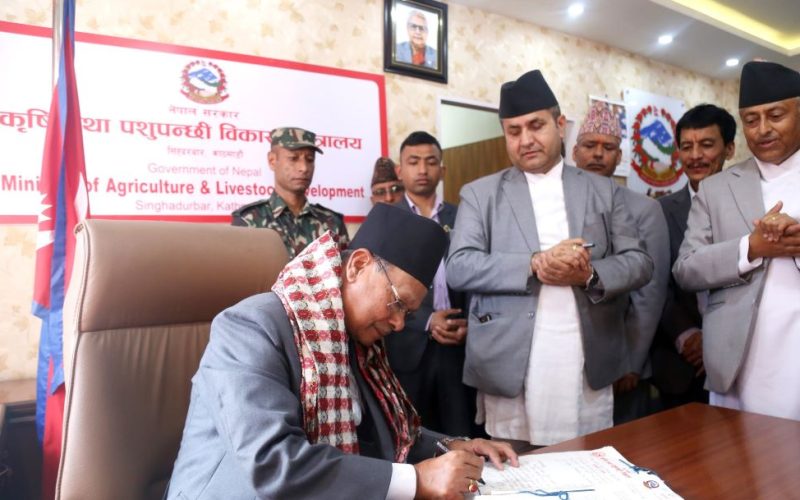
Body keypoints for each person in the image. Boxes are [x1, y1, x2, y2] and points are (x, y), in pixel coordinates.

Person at [168, 203, 518, 499]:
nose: (399, 324)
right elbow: (272, 463)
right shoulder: (250, 327)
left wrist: (451, 446)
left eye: (409, 314)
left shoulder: (355, 336)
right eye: (397, 303)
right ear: (357, 266)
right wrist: (418, 480)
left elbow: (384, 431)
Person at [446, 69, 653, 451]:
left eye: (536, 125)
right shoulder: (480, 194)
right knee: (514, 467)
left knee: (587, 462)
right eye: (513, 131)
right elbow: (459, 266)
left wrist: (589, 274)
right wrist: (535, 263)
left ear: (560, 125)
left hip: (585, 360)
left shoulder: (603, 190)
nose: (525, 140)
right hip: (509, 361)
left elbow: (639, 263)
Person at [673, 61, 800, 420]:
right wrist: (751, 248)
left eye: (776, 115)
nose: (763, 129)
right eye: (751, 120)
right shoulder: (715, 189)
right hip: (738, 358)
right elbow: (686, 269)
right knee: (737, 451)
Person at [572, 102, 669, 424]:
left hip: (620, 362)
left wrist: (631, 362)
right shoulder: (557, 204)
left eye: (608, 147)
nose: (598, 154)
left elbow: (649, 294)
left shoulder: (644, 209)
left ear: (619, 157)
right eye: (590, 145)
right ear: (574, 152)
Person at [384, 131, 476, 437]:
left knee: (460, 432)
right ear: (400, 170)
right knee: (413, 436)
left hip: (458, 343)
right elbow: (379, 286)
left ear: (442, 169)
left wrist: (471, 324)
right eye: (414, 162)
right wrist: (427, 320)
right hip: (409, 345)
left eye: (430, 162)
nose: (422, 169)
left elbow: (477, 276)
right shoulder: (388, 219)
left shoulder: (463, 216)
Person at [653, 104, 736, 409]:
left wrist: (717, 341)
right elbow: (654, 285)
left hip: (739, 357)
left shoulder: (747, 208)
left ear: (729, 149)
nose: (695, 155)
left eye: (707, 145)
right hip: (679, 365)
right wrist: (688, 336)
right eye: (686, 147)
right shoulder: (660, 211)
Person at [232, 127, 349, 258]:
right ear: (272, 161)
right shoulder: (249, 220)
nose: (304, 168)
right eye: (293, 158)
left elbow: (348, 269)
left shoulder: (332, 222)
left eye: (310, 159)